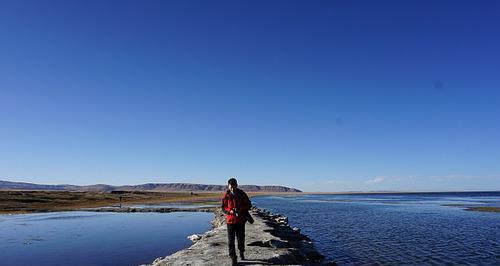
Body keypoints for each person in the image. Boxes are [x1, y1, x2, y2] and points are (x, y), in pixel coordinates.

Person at [221, 177, 252, 266]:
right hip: (230, 221)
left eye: (234, 186)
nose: (232, 188)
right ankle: (233, 257)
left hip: (240, 221)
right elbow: (223, 207)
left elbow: (249, 205)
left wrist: (240, 209)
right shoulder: (226, 195)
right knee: (231, 241)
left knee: (240, 239)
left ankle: (241, 251)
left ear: (237, 185)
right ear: (228, 186)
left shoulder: (242, 194)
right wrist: (229, 211)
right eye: (231, 187)